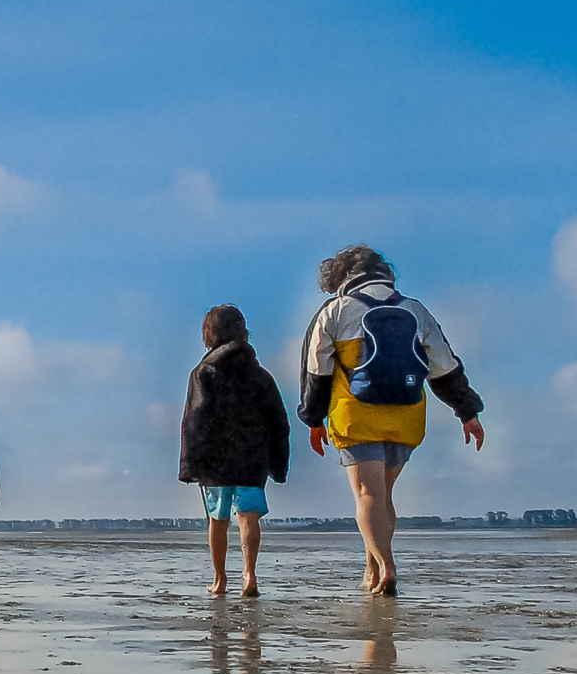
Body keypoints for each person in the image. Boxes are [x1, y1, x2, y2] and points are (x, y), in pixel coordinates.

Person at [296, 244, 486, 597]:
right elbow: (445, 367)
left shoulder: (335, 311)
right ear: (385, 273)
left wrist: (313, 418)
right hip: (406, 417)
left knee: (367, 494)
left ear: (340, 277)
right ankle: (371, 569)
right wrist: (468, 412)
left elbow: (316, 373)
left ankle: (386, 566)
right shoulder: (415, 311)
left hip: (356, 416)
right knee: (383, 497)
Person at [181, 304, 292, 597]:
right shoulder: (261, 375)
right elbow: (279, 421)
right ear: (243, 332)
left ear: (209, 334)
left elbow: (194, 419)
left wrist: (190, 463)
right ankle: (250, 575)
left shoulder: (204, 372)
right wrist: (278, 463)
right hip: (252, 457)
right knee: (249, 516)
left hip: (215, 460)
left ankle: (219, 579)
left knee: (217, 520)